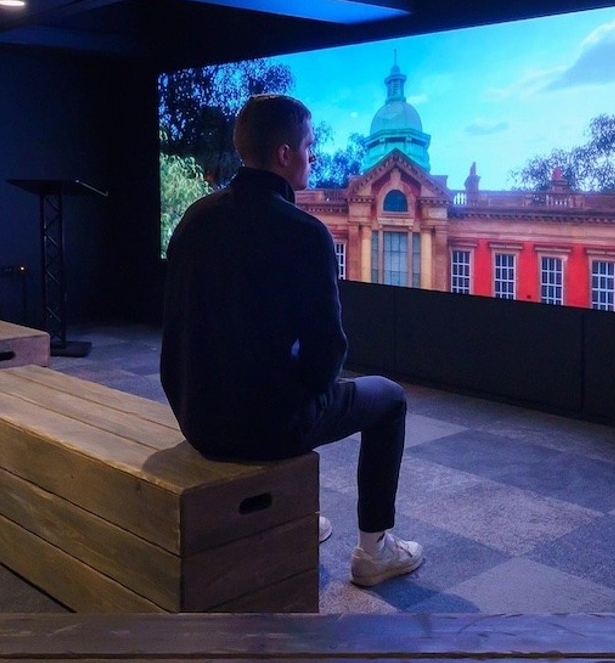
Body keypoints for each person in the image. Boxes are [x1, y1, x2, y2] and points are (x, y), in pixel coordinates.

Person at [160, 93, 423, 588]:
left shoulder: (194, 218)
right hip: (269, 426)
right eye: (308, 146)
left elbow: (175, 329)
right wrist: (305, 398)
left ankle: (289, 513)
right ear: (284, 155)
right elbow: (329, 349)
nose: (312, 157)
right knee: (390, 398)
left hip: (196, 417)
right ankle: (375, 549)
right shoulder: (304, 233)